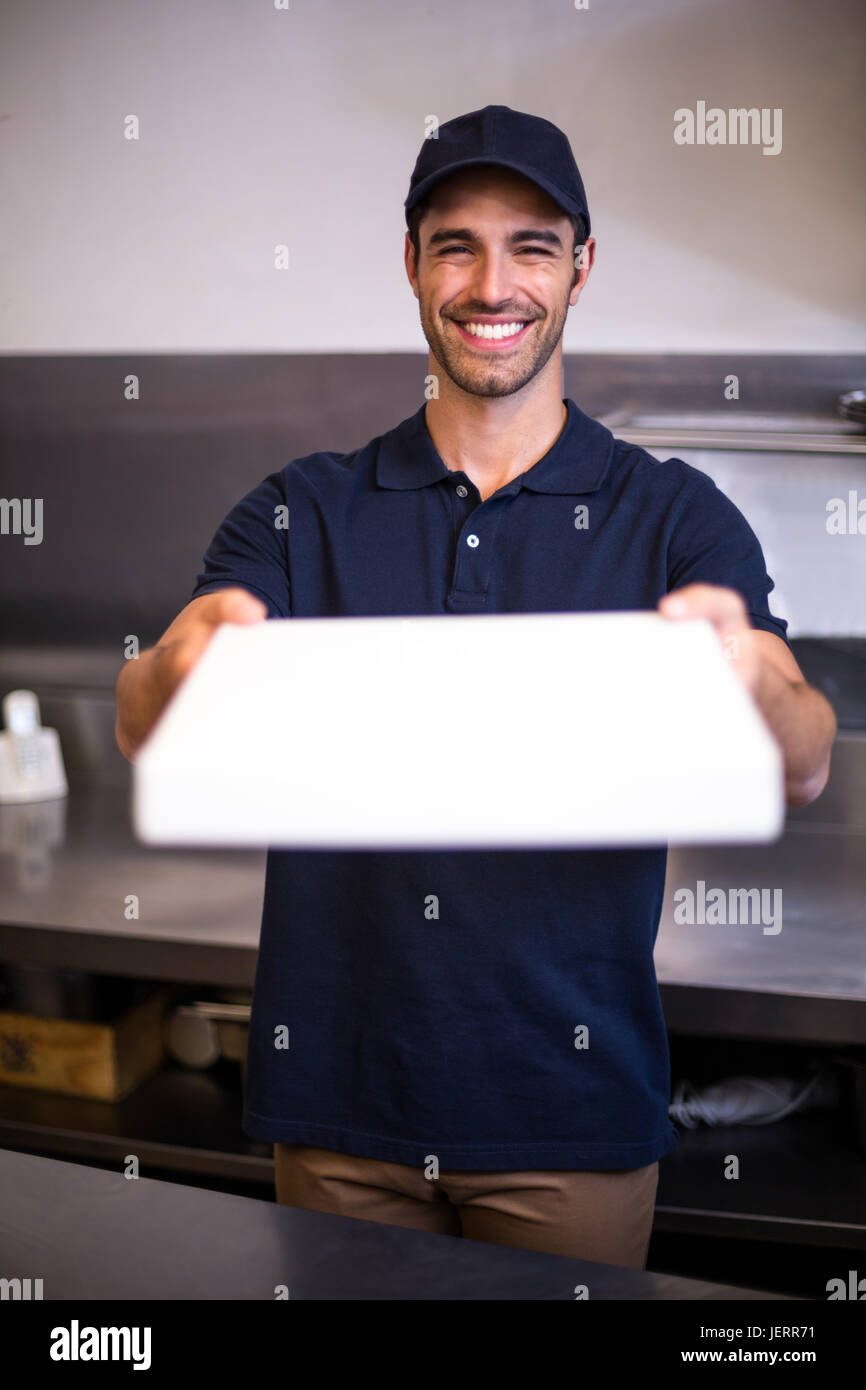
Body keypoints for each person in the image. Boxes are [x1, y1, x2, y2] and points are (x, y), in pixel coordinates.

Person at [115, 105, 837, 1271]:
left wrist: (745, 667)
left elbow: (803, 764)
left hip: (572, 1118)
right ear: (410, 264)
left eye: (531, 246)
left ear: (580, 267)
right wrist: (180, 664)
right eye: (454, 244)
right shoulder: (303, 507)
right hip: (337, 1108)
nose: (490, 283)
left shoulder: (670, 515)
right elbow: (146, 728)